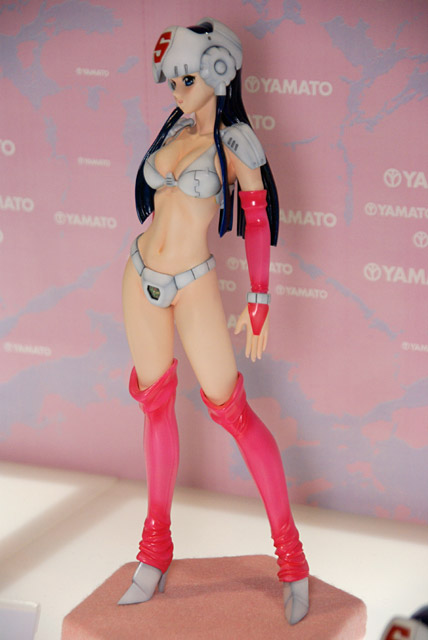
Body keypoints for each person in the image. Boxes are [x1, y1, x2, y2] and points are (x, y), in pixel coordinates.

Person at [118, 17, 309, 624]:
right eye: (172, 79)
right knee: (155, 407)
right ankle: (154, 551)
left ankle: (292, 559)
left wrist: (259, 298)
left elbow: (256, 219)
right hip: (140, 276)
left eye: (189, 77)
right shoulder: (174, 130)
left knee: (233, 413)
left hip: (193, 284)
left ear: (220, 73)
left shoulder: (236, 144)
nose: (178, 89)